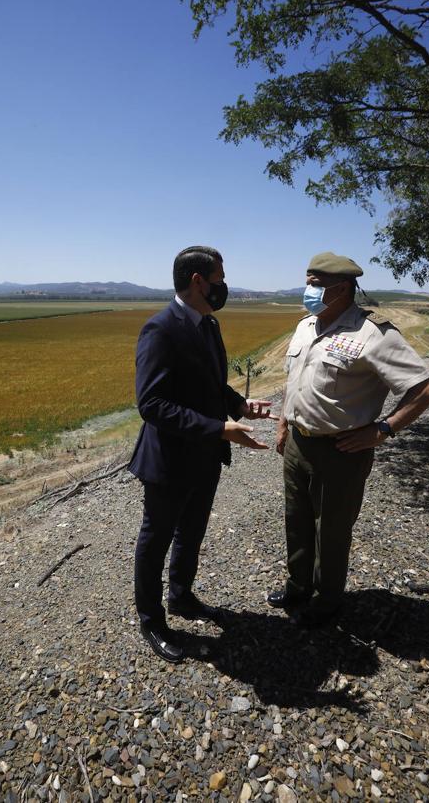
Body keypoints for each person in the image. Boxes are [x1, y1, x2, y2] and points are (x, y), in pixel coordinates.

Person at [270, 251, 429, 627]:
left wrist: (383, 429)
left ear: (343, 288)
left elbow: (427, 389)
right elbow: (294, 381)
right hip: (298, 442)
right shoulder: (305, 326)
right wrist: (284, 423)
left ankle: (326, 603)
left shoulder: (373, 333)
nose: (308, 291)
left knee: (330, 532)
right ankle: (298, 587)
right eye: (308, 283)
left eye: (316, 285)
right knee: (296, 521)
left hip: (341, 450)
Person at [129, 245, 274, 662]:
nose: (223, 288)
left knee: (191, 532)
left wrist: (239, 405)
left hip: (206, 456)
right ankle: (151, 620)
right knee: (156, 538)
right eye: (219, 280)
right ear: (197, 282)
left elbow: (209, 383)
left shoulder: (208, 324)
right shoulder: (160, 329)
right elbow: (152, 404)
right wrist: (218, 428)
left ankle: (181, 596)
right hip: (169, 461)